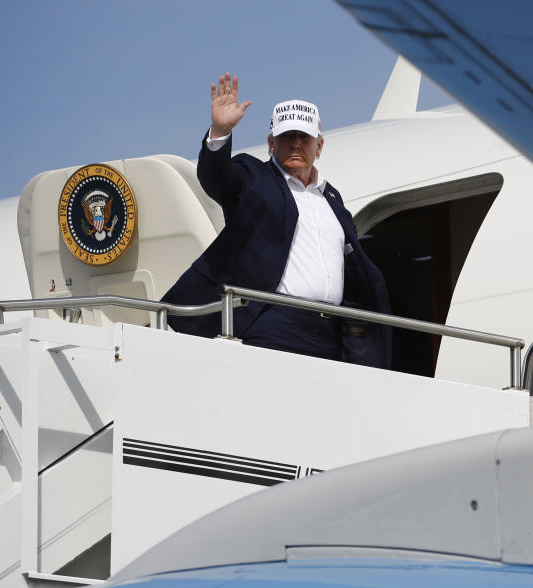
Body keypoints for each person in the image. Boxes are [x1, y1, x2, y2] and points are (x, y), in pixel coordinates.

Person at [161, 73, 391, 368]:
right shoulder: (253, 178)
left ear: (318, 146)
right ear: (271, 143)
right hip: (277, 325)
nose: (296, 144)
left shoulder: (333, 200)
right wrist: (219, 131)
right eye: (287, 137)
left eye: (304, 137)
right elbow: (217, 179)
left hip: (332, 332)